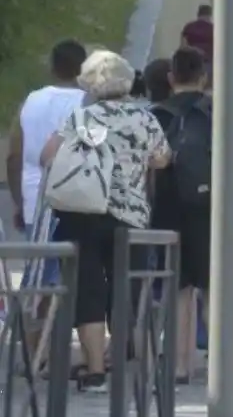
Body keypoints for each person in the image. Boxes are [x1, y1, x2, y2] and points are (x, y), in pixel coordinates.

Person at [41, 50, 171, 393]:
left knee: (89, 292)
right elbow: (162, 160)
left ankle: (95, 371)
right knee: (127, 291)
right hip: (130, 219)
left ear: (90, 83)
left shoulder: (80, 117)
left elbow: (48, 155)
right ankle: (136, 369)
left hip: (83, 214)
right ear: (126, 81)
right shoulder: (144, 120)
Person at [4, 40, 88, 363]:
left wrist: (17, 199)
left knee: (38, 274)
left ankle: (33, 349)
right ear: (83, 69)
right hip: (77, 199)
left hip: (33, 199)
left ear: (52, 66)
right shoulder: (88, 102)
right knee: (74, 274)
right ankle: (62, 350)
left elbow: (14, 155)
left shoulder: (31, 101)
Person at [147, 47, 216, 383]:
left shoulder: (155, 114)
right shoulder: (215, 112)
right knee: (212, 288)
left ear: (172, 78)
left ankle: (179, 365)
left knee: (178, 289)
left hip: (167, 208)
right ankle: (222, 365)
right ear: (203, 76)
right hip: (208, 207)